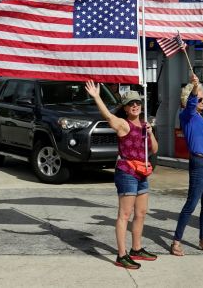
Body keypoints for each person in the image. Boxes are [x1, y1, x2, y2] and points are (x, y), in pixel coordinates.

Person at [85, 81, 159, 270]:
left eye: (138, 103)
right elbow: (108, 116)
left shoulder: (144, 125)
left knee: (141, 213)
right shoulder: (123, 125)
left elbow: (154, 150)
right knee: (124, 215)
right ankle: (121, 255)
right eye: (131, 104)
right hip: (127, 172)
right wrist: (96, 97)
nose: (135, 106)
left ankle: (136, 249)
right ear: (125, 108)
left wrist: (150, 133)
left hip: (142, 171)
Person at [170, 74, 203, 256]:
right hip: (200, 164)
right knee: (191, 203)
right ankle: (176, 241)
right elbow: (191, 105)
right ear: (189, 99)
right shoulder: (186, 115)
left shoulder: (199, 118)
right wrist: (194, 87)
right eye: (200, 98)